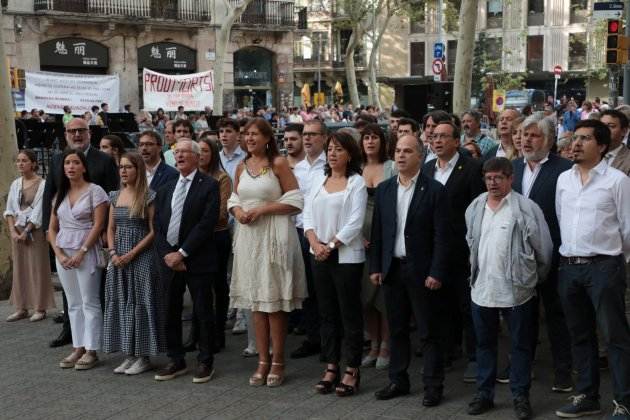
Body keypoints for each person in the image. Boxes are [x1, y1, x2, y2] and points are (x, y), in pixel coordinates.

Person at [464, 157, 553, 420]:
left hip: (518, 292)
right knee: (484, 345)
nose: (492, 183)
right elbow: (471, 242)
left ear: (510, 178)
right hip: (482, 291)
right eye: (488, 178)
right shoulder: (475, 206)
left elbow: (544, 251)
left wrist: (531, 280)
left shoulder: (526, 208)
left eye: (498, 178)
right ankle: (484, 394)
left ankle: (520, 396)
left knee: (521, 347)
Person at [554, 119, 630, 419]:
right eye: (574, 137)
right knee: (580, 335)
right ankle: (587, 395)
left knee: (615, 337)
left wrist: (612, 260)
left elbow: (627, 230)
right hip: (570, 267)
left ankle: (623, 401)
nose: (576, 143)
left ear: (601, 145)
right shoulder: (564, 179)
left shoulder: (617, 180)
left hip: (604, 267)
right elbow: (561, 219)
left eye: (584, 138)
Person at [369, 135, 451, 407]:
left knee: (428, 332)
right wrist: (376, 267)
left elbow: (442, 236)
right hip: (392, 270)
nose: (401, 156)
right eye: (397, 151)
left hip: (423, 272)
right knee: (397, 329)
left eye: (407, 151)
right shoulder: (384, 189)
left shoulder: (435, 190)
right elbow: (379, 232)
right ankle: (398, 380)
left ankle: (433, 385)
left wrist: (437, 272)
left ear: (420, 155)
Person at [228, 118, 307, 387]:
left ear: (267, 138)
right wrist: (237, 210)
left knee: (273, 302)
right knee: (255, 302)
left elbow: (296, 200)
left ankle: (278, 361)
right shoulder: (241, 166)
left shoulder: (279, 164)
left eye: (255, 134)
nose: (249, 138)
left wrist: (263, 209)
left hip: (274, 236)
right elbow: (234, 197)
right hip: (249, 238)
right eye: (246, 134)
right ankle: (262, 360)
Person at [511, 112, 574, 392]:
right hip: (517, 255)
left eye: (534, 135)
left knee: (555, 313)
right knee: (521, 314)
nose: (527, 139)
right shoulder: (512, 168)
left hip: (553, 255)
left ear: (548, 140)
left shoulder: (564, 169)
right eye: (524, 134)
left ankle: (563, 370)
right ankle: (521, 365)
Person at [43, 118, 119, 348]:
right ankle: (73, 336)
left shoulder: (103, 160)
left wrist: (108, 233)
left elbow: (113, 196)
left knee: (92, 297)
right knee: (72, 299)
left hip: (92, 238)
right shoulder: (57, 160)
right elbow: (50, 197)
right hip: (64, 240)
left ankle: (96, 342)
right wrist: (50, 233)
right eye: (72, 131)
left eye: (81, 131)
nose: (76, 135)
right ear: (65, 134)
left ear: (89, 133)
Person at [303, 131, 367, 397]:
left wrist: (330, 246)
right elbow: (307, 215)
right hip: (318, 254)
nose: (332, 153)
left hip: (346, 257)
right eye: (330, 148)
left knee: (348, 313)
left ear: (349, 154)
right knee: (326, 312)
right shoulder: (318, 179)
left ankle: (352, 368)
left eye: (339, 149)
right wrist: (315, 243)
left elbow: (355, 223)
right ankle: (331, 365)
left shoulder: (357, 183)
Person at [153, 139, 220, 384]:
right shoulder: (166, 188)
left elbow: (206, 223)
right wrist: (168, 255)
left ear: (196, 157)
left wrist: (182, 253)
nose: (179, 156)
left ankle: (205, 361)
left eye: (184, 152)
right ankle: (176, 359)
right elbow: (157, 225)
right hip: (168, 261)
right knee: (170, 309)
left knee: (202, 311)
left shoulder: (209, 185)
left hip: (197, 259)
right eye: (176, 152)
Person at [422, 121, 485, 382]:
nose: (437, 141)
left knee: (467, 307)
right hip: (435, 250)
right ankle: (447, 351)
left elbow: (478, 208)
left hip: (462, 249)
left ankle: (475, 358)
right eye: (434, 136)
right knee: (440, 306)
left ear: (456, 141)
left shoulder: (471, 168)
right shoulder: (426, 169)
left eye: (444, 137)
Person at [103, 152, 164, 376]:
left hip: (141, 257)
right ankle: (129, 352)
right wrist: (113, 252)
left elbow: (153, 230)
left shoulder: (148, 196)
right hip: (118, 257)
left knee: (141, 303)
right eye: (121, 167)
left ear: (138, 170)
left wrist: (132, 253)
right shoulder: (114, 195)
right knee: (122, 302)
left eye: (128, 167)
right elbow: (110, 227)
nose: (124, 171)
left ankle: (143, 355)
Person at [48, 149, 109, 370]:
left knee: (89, 300)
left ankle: (92, 349)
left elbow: (99, 224)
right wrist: (60, 254)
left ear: (83, 166)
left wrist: (82, 251)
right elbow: (52, 229)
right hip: (64, 252)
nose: (71, 167)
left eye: (75, 162)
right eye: (67, 163)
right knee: (73, 302)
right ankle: (78, 346)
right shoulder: (59, 194)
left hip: (86, 251)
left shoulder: (95, 191)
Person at [359, 124, 397, 370]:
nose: (370, 142)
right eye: (366, 138)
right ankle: (373, 343)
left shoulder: (391, 167)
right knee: (365, 297)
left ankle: (386, 344)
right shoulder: (356, 169)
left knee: (383, 296)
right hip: (358, 240)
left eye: (375, 138)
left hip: (384, 238)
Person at [190, 135, 232, 352]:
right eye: (200, 151)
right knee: (198, 287)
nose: (202, 155)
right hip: (196, 238)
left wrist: (196, 222)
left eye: (206, 151)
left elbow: (221, 212)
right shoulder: (190, 177)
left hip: (216, 236)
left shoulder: (221, 178)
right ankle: (196, 333)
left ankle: (218, 333)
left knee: (218, 285)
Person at [290, 119, 328, 360]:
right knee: (307, 289)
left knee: (325, 289)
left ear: (324, 138)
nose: (307, 138)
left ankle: (330, 340)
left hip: (322, 235)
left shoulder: (331, 165)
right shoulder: (297, 168)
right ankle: (313, 337)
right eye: (305, 134)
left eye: (313, 134)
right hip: (299, 233)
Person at [4, 150, 55, 322]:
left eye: (24, 161)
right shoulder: (15, 184)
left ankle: (40, 307)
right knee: (20, 268)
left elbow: (40, 210)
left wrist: (27, 231)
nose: (20, 164)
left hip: (35, 231)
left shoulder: (42, 184)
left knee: (37, 267)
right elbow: (9, 209)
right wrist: (13, 231)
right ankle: (22, 307)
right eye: (18, 161)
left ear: (33, 163)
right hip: (17, 231)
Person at [601, 109, 630, 175]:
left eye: (611, 126)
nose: (604, 129)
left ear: (624, 131)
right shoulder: (589, 154)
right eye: (601, 126)